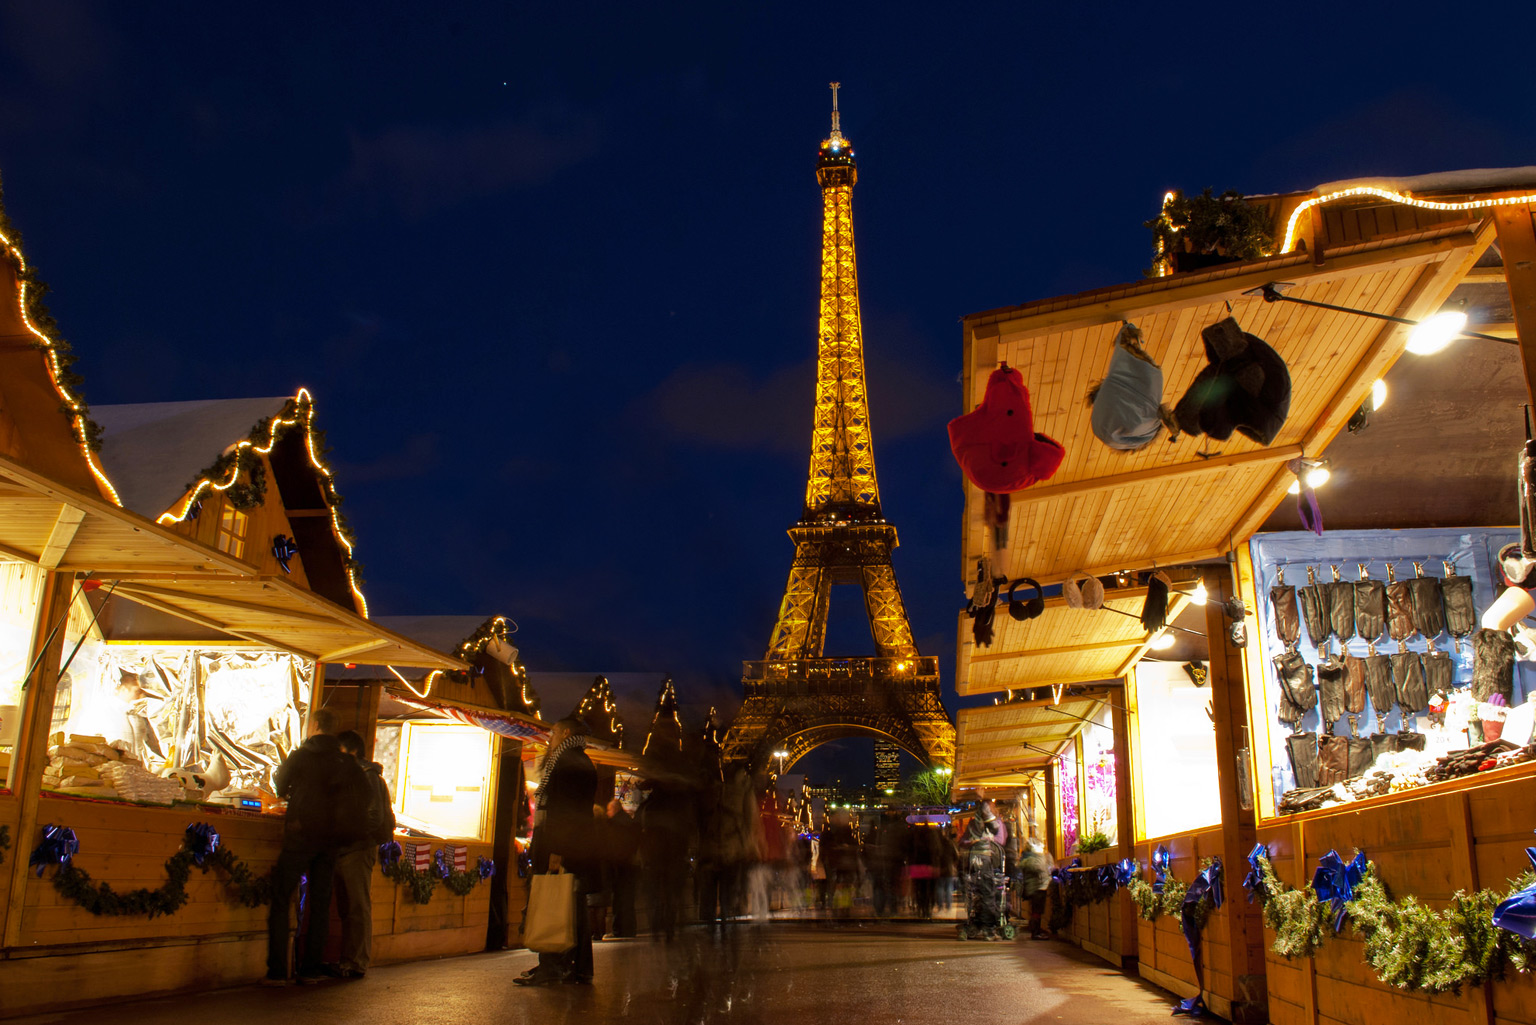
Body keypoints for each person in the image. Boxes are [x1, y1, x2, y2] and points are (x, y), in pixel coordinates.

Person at [265, 708, 374, 985]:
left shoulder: (302, 756)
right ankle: (311, 969)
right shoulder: (344, 762)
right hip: (330, 842)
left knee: (281, 899)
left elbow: (279, 785)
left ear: (313, 725)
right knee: (321, 903)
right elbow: (366, 793)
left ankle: (278, 971)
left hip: (300, 837)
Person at [516, 718, 599, 987]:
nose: (550, 738)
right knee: (571, 907)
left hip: (561, 846)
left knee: (553, 903)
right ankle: (577, 967)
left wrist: (556, 849)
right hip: (574, 846)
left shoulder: (567, 763)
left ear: (565, 733)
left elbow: (565, 811)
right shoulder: (578, 761)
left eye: (553, 733)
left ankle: (553, 965)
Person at [330, 730, 394, 978]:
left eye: (341, 751)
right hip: (350, 847)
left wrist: (349, 836)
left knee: (357, 906)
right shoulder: (357, 776)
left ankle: (357, 962)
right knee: (350, 907)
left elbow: (374, 816)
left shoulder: (366, 777)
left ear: (352, 751)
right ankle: (350, 960)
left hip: (358, 848)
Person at [1018, 837, 1053, 939]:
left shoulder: (1028, 858)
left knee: (1036, 910)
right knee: (1037, 910)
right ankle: (1035, 932)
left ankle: (1035, 930)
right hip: (1037, 887)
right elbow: (1041, 869)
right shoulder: (1033, 859)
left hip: (1035, 887)